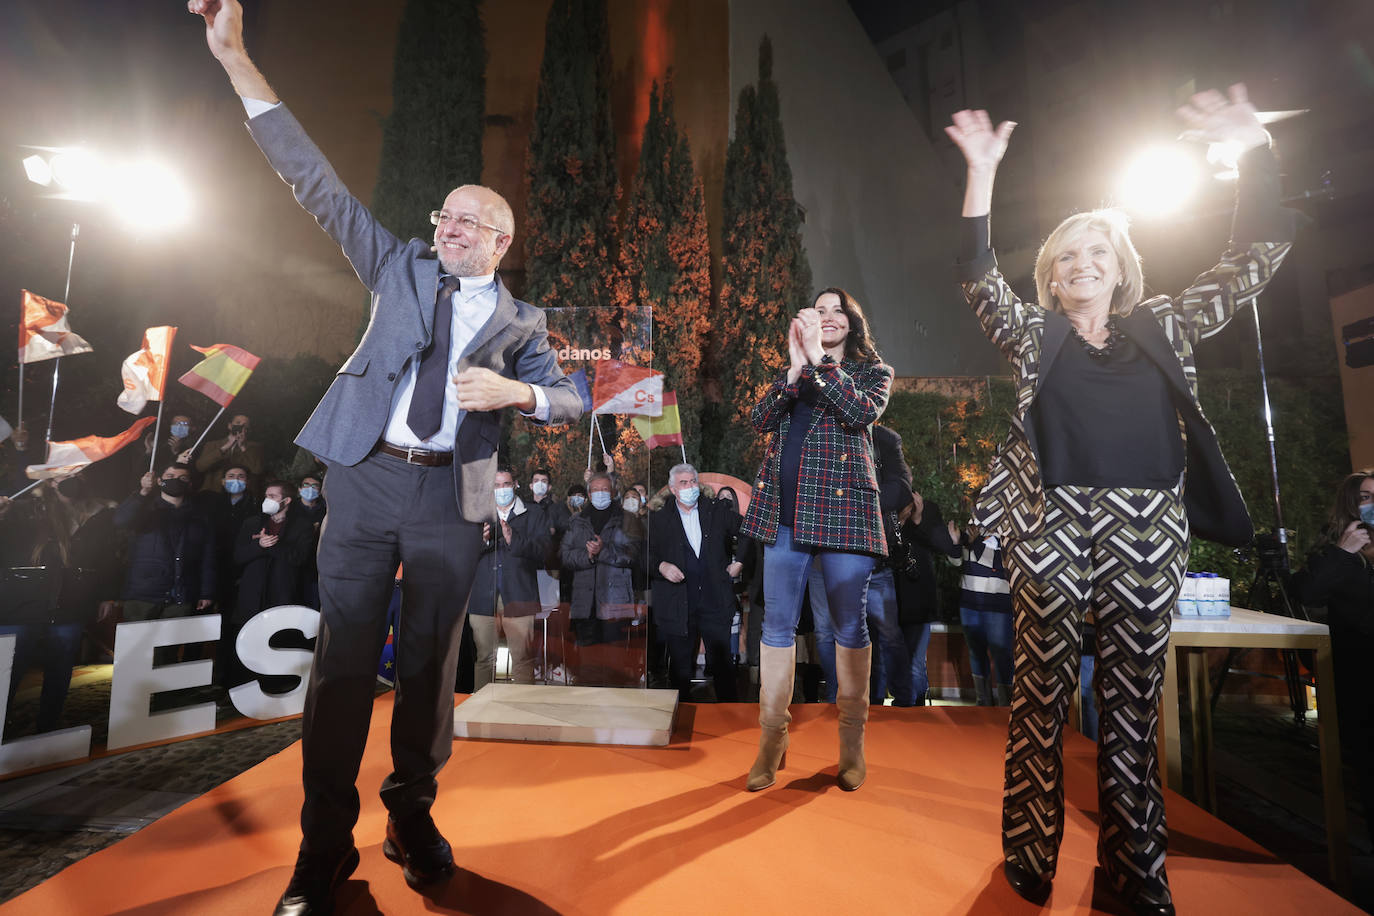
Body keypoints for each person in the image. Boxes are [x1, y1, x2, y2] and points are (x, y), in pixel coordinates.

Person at [189, 4, 583, 914]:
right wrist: (238, 62)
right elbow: (314, 181)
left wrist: (521, 395)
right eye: (444, 215)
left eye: (469, 220)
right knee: (341, 662)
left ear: (501, 242)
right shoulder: (397, 266)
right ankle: (323, 847)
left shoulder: (526, 327)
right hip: (365, 476)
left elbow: (574, 399)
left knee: (429, 668)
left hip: (455, 497)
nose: (448, 226)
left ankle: (412, 813)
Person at [945, 84, 1294, 913]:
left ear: (1122, 269)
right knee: (1040, 698)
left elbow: (1259, 253)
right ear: (1053, 278)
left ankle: (1135, 878)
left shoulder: (1166, 323)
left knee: (1133, 708)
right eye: (1067, 257)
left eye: (1097, 254)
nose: (1082, 266)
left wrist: (1254, 152)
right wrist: (984, 172)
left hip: (1148, 528)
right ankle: (1029, 862)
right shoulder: (1035, 333)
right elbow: (974, 273)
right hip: (1053, 525)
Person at [740, 287, 893, 792]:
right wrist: (792, 369)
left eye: (836, 311)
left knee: (850, 627)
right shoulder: (797, 377)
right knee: (777, 626)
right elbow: (759, 421)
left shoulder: (873, 373)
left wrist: (818, 363)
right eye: (817, 311)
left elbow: (859, 413)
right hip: (784, 517)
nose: (827, 317)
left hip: (845, 514)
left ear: (852, 323)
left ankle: (852, 745)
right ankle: (772, 740)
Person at [1299, 470, 1374, 846]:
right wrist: (1343, 552)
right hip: (1361, 679)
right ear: (1351, 504)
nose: (1373, 503)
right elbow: (1306, 591)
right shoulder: (1334, 550)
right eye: (1365, 497)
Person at [648, 463, 743, 702]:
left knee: (723, 668)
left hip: (715, 602)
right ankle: (682, 725)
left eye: (693, 482)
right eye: (683, 483)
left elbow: (748, 530)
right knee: (680, 670)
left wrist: (739, 561)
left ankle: (730, 722)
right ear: (672, 488)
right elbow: (641, 554)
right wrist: (661, 566)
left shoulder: (716, 510)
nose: (690, 487)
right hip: (677, 605)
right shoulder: (658, 519)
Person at [227, 480, 315, 690]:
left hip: (282, 592)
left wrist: (272, 546)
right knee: (249, 639)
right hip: (252, 593)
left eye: (273, 496)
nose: (268, 500)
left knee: (280, 640)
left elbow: (300, 558)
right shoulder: (252, 523)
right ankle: (246, 684)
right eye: (267, 496)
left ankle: (280, 685)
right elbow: (238, 556)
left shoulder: (302, 525)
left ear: (286, 500)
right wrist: (258, 545)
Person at [468, 469, 549, 689]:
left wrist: (515, 539)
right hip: (483, 597)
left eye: (506, 484)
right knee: (484, 658)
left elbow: (544, 552)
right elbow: (461, 554)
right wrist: (481, 541)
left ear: (515, 486)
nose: (501, 489)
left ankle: (522, 712)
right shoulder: (477, 515)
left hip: (520, 595)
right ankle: (481, 712)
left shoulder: (533, 514)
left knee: (522, 659)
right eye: (496, 485)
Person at [561, 473, 643, 680]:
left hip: (615, 603)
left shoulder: (628, 519)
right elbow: (565, 555)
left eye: (604, 489)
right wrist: (588, 555)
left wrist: (602, 551)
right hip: (584, 604)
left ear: (613, 492)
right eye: (595, 490)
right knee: (587, 668)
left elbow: (633, 555)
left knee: (615, 666)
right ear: (589, 494)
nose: (600, 494)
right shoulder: (577, 521)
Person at [114, 463, 217, 622]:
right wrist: (143, 492)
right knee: (137, 645)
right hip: (143, 596)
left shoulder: (200, 517)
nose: (175, 480)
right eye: (170, 477)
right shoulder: (144, 509)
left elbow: (208, 558)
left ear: (189, 484)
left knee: (169, 646)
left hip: (181, 596)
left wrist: (206, 592)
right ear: (159, 481)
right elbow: (121, 520)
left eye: (182, 478)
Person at [954, 524, 1013, 706]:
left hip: (998, 605)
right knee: (976, 652)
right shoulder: (969, 531)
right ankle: (983, 703)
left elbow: (995, 562)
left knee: (1002, 654)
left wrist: (976, 541)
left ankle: (1006, 705)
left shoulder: (1009, 532)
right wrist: (956, 542)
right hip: (970, 601)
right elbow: (955, 561)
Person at [195, 414, 265, 491]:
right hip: (213, 491)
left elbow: (256, 470)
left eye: (245, 425)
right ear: (230, 426)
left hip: (241, 492)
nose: (241, 426)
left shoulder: (255, 447)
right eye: (238, 423)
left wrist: (242, 447)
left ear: (248, 429)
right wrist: (225, 447)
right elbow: (200, 467)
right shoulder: (212, 445)